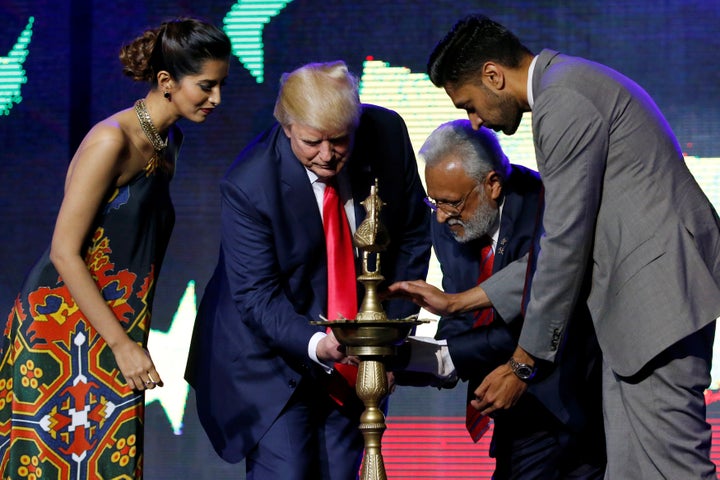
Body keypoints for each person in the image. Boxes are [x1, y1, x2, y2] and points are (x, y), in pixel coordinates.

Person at [425, 13, 720, 479]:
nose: (474, 121)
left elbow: (563, 246)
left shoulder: (563, 101)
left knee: (674, 469)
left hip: (658, 307)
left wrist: (522, 364)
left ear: (493, 75)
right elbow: (557, 247)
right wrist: (462, 301)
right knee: (629, 471)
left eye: (470, 105)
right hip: (637, 314)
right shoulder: (567, 86)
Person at [0, 18, 231, 479]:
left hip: (114, 331)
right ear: (167, 82)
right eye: (206, 86)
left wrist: (124, 342)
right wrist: (122, 345)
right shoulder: (111, 140)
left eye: (221, 85)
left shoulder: (168, 143)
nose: (216, 99)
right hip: (57, 331)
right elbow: (64, 252)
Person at [185, 61, 431, 479]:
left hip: (356, 355)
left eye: (340, 140)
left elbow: (411, 235)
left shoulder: (386, 134)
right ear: (286, 127)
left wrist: (383, 338)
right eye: (312, 142)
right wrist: (319, 344)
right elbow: (257, 297)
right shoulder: (250, 185)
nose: (328, 154)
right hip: (271, 358)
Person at [389, 120, 605, 479]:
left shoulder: (548, 209)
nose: (441, 215)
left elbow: (542, 319)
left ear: (492, 184)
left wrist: (445, 358)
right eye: (435, 202)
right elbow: (460, 315)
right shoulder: (445, 221)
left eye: (451, 203)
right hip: (511, 406)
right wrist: (404, 359)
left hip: (567, 400)